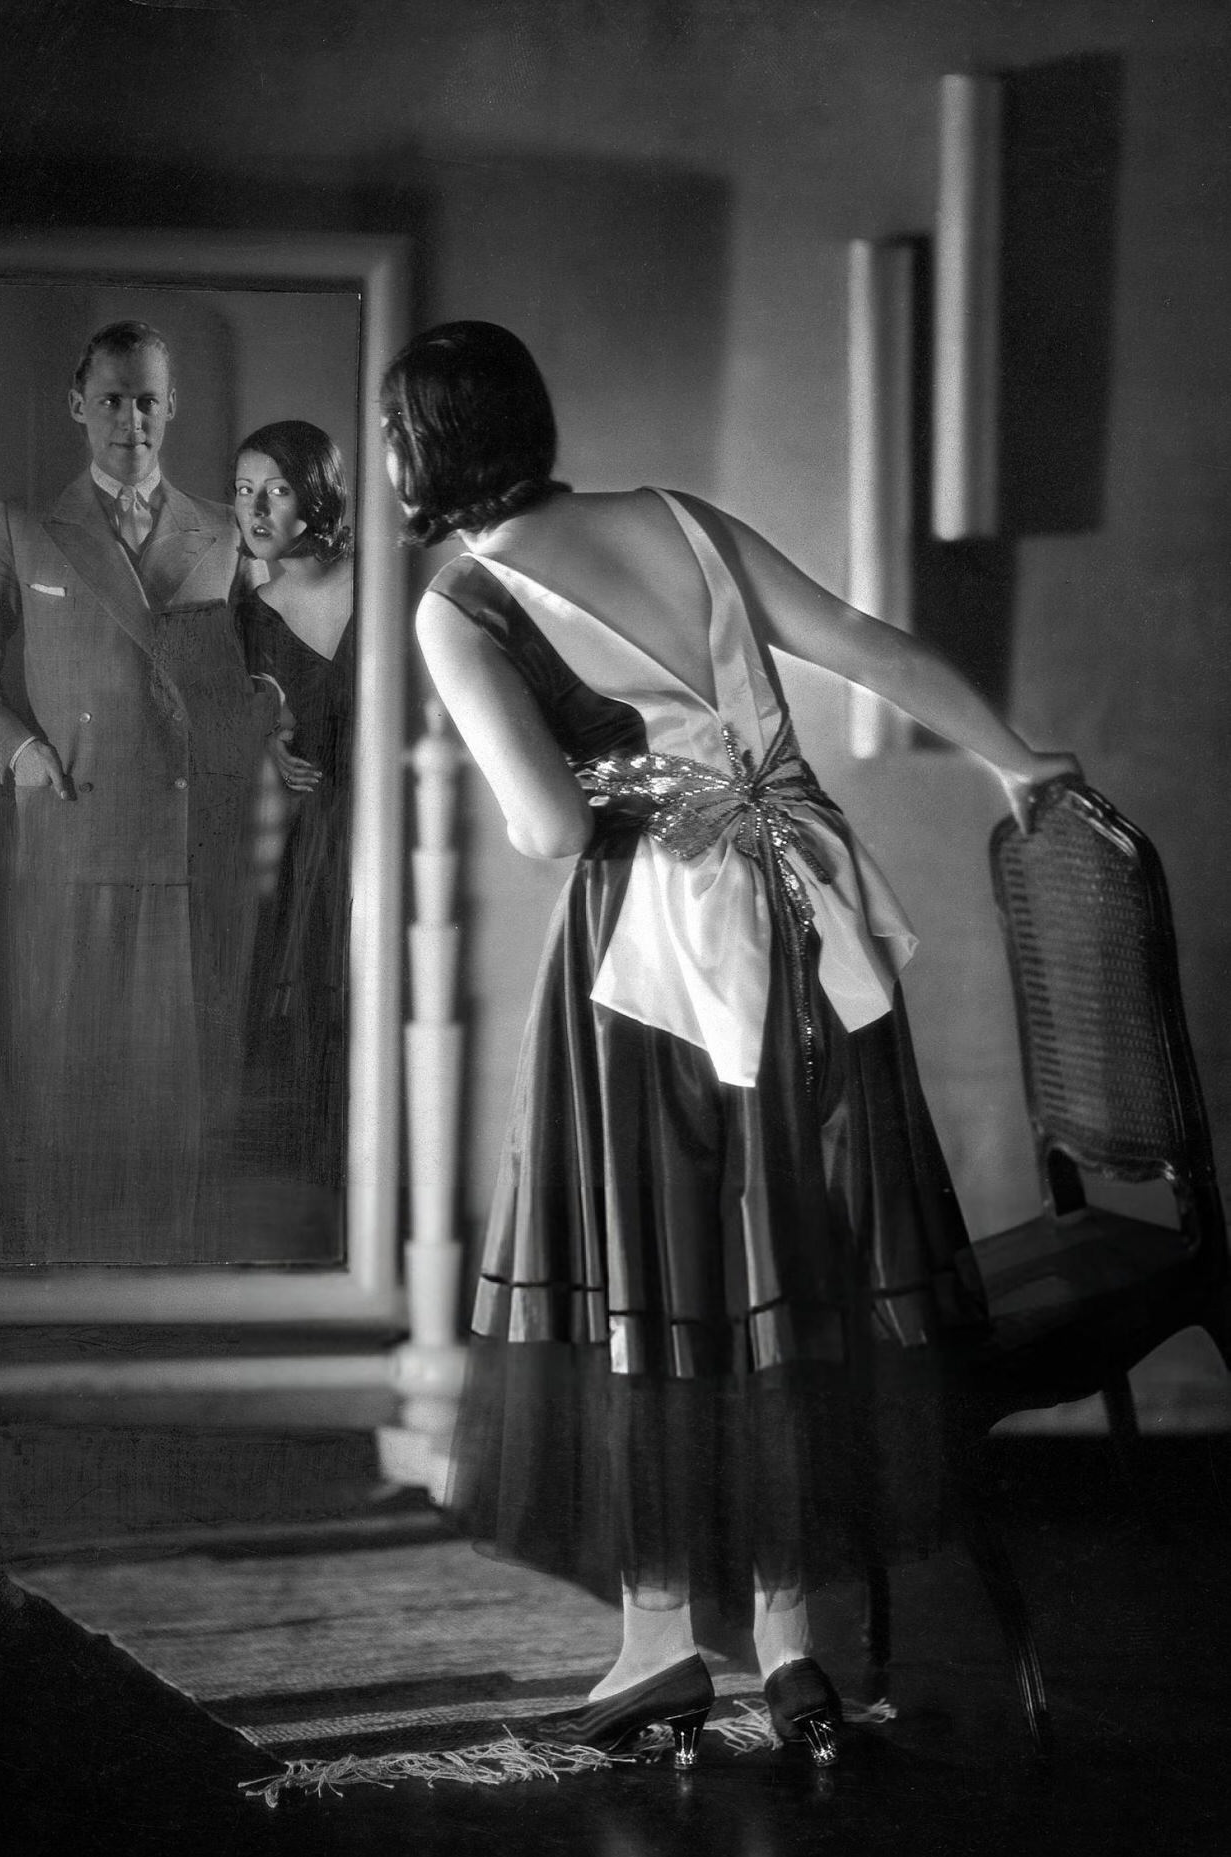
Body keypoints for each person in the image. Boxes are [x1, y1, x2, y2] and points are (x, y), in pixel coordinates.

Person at [379, 322, 1079, 1770]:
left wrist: (559, 793)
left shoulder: (457, 601)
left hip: (653, 961)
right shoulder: (681, 520)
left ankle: (654, 1647)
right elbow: (867, 646)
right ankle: (794, 1643)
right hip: (813, 926)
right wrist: (1016, 755)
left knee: (665, 1261)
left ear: (418, 450)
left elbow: (555, 830)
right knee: (791, 1257)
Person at [0, 320, 279, 1264]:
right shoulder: (22, 526)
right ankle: (60, 1270)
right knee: (68, 1060)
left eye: (148, 398)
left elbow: (255, 671)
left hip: (189, 840)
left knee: (171, 1068)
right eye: (112, 397)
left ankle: (165, 1271)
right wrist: (18, 749)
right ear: (78, 405)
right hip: (69, 826)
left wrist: (266, 712)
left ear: (172, 407)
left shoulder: (223, 533)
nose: (131, 419)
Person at [230, 421, 355, 1202]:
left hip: (393, 818)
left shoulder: (381, 582)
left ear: (316, 491)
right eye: (243, 492)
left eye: (275, 489)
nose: (256, 511)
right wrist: (274, 743)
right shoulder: (254, 613)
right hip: (319, 831)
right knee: (311, 985)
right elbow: (262, 713)